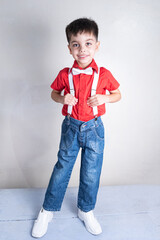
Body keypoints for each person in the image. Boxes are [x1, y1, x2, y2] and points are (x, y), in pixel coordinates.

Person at [32, 17, 121, 238]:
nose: (82, 50)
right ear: (70, 48)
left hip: (94, 129)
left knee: (91, 172)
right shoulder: (65, 74)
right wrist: (62, 100)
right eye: (76, 44)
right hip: (71, 128)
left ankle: (86, 210)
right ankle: (47, 211)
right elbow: (53, 93)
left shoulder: (104, 75)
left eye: (88, 43)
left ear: (97, 46)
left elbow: (118, 94)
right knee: (62, 168)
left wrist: (104, 98)